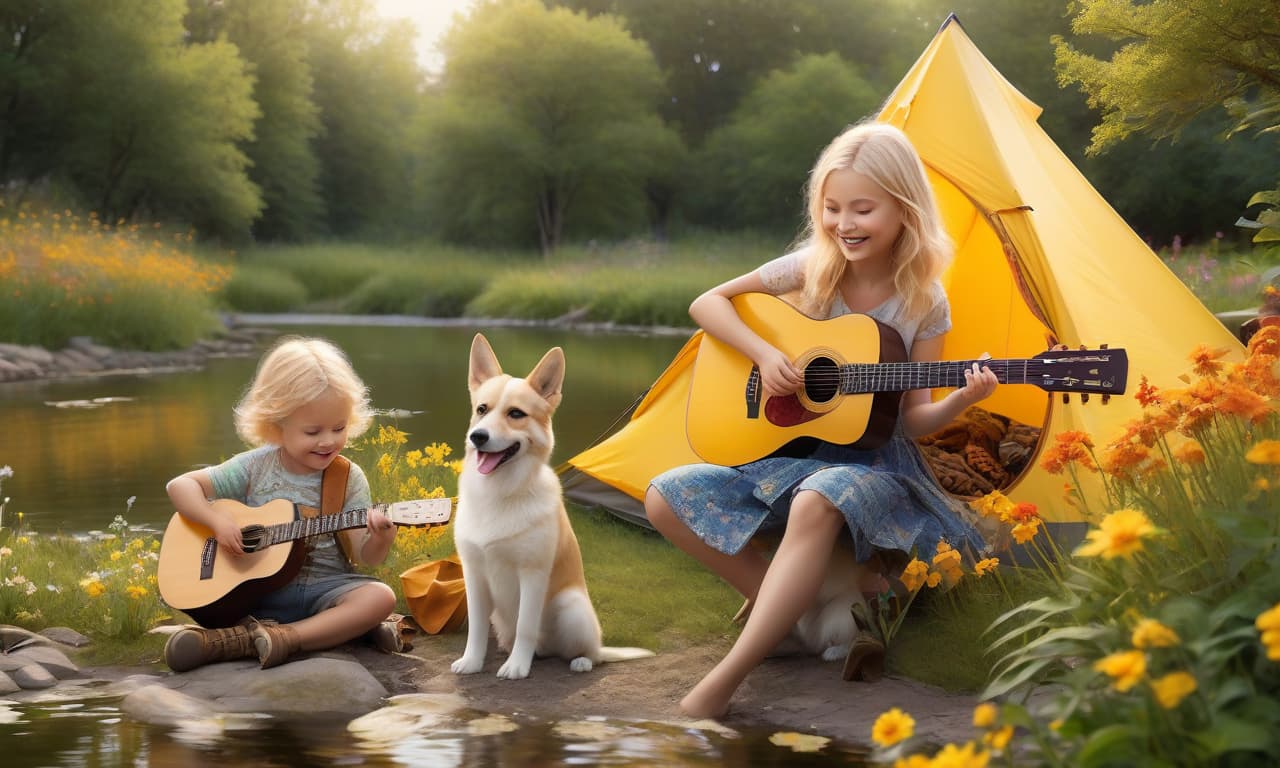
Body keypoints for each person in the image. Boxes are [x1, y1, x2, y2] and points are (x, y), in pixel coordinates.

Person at [645, 122, 1000, 719]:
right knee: (665, 496)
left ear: (905, 210)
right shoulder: (811, 267)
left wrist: (964, 400)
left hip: (879, 463)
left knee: (817, 498)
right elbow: (706, 303)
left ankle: (725, 680)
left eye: (863, 209)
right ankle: (784, 619)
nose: (845, 224)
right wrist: (764, 353)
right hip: (796, 451)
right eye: (832, 208)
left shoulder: (924, 300)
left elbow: (914, 421)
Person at [162, 336, 401, 672]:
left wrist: (381, 537)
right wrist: (217, 522)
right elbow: (181, 486)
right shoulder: (254, 467)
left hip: (326, 589)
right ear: (276, 425)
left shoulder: (347, 477)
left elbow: (366, 557)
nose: (328, 441)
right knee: (370, 610)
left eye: (339, 428)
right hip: (256, 592)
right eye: (312, 431)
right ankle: (331, 632)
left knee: (379, 597)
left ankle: (270, 639)